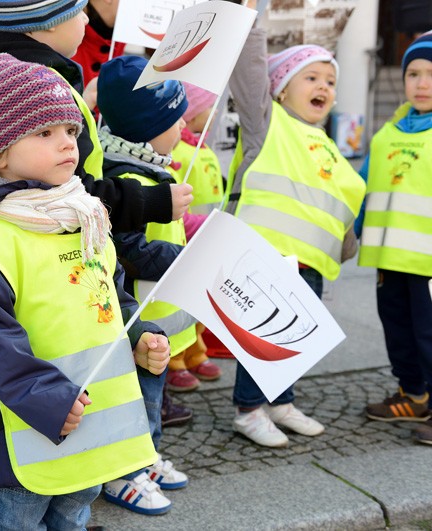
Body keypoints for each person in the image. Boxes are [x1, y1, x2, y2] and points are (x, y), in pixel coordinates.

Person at [0, 53, 170, 530]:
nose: (67, 143)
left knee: (74, 512)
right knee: (16, 520)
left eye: (69, 131)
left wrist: (138, 333)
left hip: (91, 422)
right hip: (29, 427)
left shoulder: (84, 215)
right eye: (44, 133)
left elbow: (111, 295)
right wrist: (45, 398)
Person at [225, 10, 365, 447]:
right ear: (280, 89)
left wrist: (345, 246)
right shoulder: (267, 125)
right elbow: (248, 70)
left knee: (294, 339)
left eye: (329, 80)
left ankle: (280, 402)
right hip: (268, 254)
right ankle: (249, 411)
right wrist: (251, 20)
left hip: (311, 264)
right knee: (265, 339)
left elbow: (337, 199)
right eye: (311, 78)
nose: (323, 86)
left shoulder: (326, 143)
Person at [0, 0, 193, 235]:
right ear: (48, 21)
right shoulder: (36, 86)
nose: (85, 19)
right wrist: (150, 201)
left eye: (70, 131)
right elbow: (68, 188)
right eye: (78, 10)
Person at [96, 55, 191, 515]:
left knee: (152, 389)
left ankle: (146, 458)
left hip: (152, 313)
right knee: (131, 394)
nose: (184, 126)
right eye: (175, 120)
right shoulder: (128, 177)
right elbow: (129, 249)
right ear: (146, 129)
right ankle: (122, 472)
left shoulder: (151, 169)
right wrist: (188, 260)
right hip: (132, 312)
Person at [358, 32, 432, 445]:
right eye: (414, 74)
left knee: (429, 334)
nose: (422, 83)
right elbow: (364, 187)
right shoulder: (387, 134)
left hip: (428, 263)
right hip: (390, 257)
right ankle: (413, 394)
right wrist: (352, 229)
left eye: (431, 75)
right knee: (398, 328)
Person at [166, 82, 224, 393]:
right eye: (209, 107)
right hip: (185, 238)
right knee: (179, 305)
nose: (214, 114)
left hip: (207, 240)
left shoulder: (204, 149)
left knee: (200, 306)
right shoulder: (179, 151)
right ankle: (175, 360)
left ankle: (195, 352)